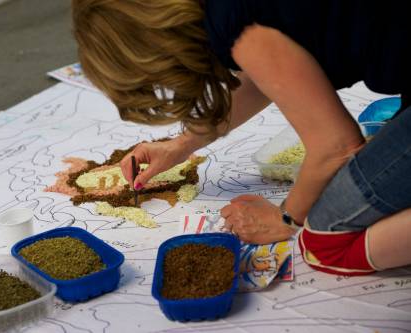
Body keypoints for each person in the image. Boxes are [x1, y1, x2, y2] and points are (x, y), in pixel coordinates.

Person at [72, 0, 411, 275]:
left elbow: (336, 146)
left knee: (324, 239)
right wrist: (181, 146)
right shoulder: (227, 13)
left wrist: (285, 218)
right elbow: (269, 72)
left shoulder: (234, 17)